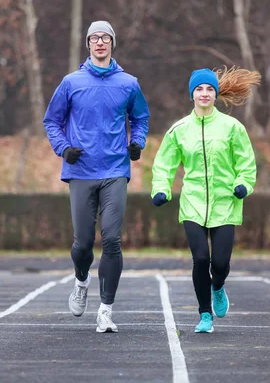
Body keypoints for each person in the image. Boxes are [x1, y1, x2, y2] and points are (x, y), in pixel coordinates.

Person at [43, 21, 150, 333]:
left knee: (113, 240)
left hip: (115, 170)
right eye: (95, 38)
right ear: (87, 44)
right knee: (83, 244)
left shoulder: (129, 83)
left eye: (105, 37)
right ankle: (81, 280)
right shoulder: (71, 82)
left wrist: (137, 143)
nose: (100, 42)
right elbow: (52, 120)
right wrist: (63, 149)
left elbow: (141, 117)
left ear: (112, 43)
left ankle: (106, 310)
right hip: (80, 171)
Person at [151, 66, 259, 333]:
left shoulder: (232, 127)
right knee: (200, 259)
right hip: (193, 204)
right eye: (199, 88)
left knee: (219, 264)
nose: (204, 93)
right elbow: (164, 163)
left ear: (216, 93)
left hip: (225, 203)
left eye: (210, 88)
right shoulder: (179, 129)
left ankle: (218, 286)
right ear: (192, 94)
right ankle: (205, 315)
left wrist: (243, 184)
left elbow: (246, 162)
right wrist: (160, 188)